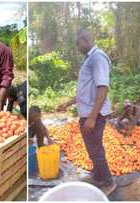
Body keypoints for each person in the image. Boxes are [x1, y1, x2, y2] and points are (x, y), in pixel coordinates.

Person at [57, 30, 115, 195]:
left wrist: (92, 117)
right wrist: (68, 103)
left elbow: (102, 87)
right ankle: (98, 176)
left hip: (93, 115)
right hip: (88, 114)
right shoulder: (90, 58)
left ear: (84, 40)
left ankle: (108, 182)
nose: (77, 47)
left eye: (78, 44)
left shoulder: (98, 57)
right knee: (92, 148)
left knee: (96, 150)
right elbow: (86, 90)